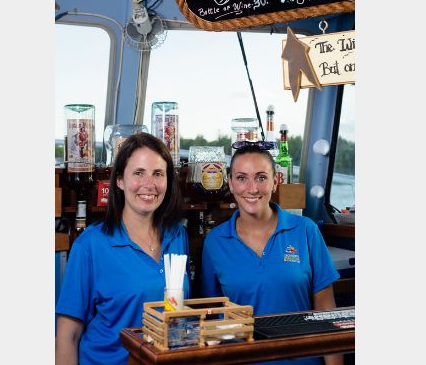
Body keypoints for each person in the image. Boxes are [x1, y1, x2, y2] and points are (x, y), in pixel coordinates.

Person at [200, 143, 342, 365]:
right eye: (241, 178)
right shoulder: (215, 242)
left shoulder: (305, 230)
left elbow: (326, 308)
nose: (252, 188)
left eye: (261, 177)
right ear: (230, 182)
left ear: (276, 181)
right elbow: (210, 316)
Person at [56, 133, 189, 365]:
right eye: (138, 173)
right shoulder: (90, 245)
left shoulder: (178, 236)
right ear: (119, 180)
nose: (149, 184)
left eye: (158, 174)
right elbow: (68, 335)